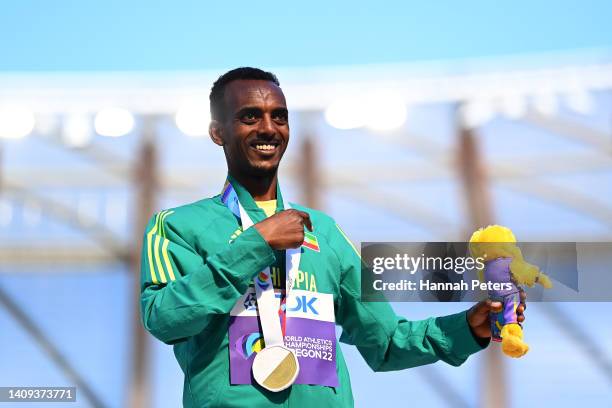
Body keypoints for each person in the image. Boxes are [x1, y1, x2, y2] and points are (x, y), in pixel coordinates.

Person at [140, 67, 525, 407]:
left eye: (280, 117)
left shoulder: (323, 231)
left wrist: (464, 328)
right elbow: (164, 318)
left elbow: (386, 341)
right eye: (250, 116)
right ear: (217, 132)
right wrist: (255, 245)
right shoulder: (176, 226)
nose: (268, 128)